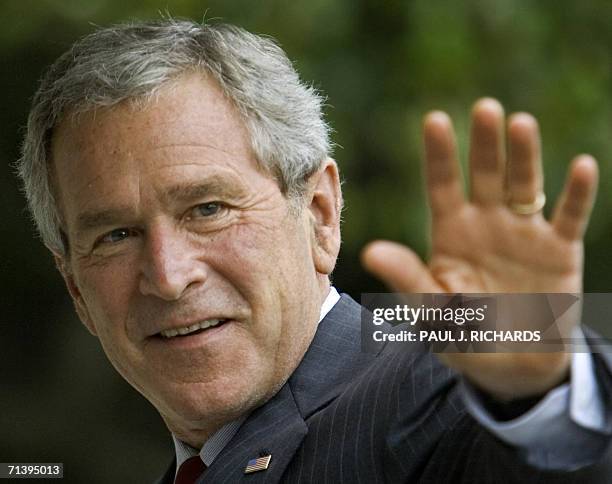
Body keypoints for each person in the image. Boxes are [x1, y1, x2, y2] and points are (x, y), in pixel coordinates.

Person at [17, 18, 612, 483]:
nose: (169, 277)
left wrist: (541, 392)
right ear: (75, 288)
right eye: (116, 236)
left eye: (208, 209)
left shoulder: (428, 383)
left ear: (319, 215)